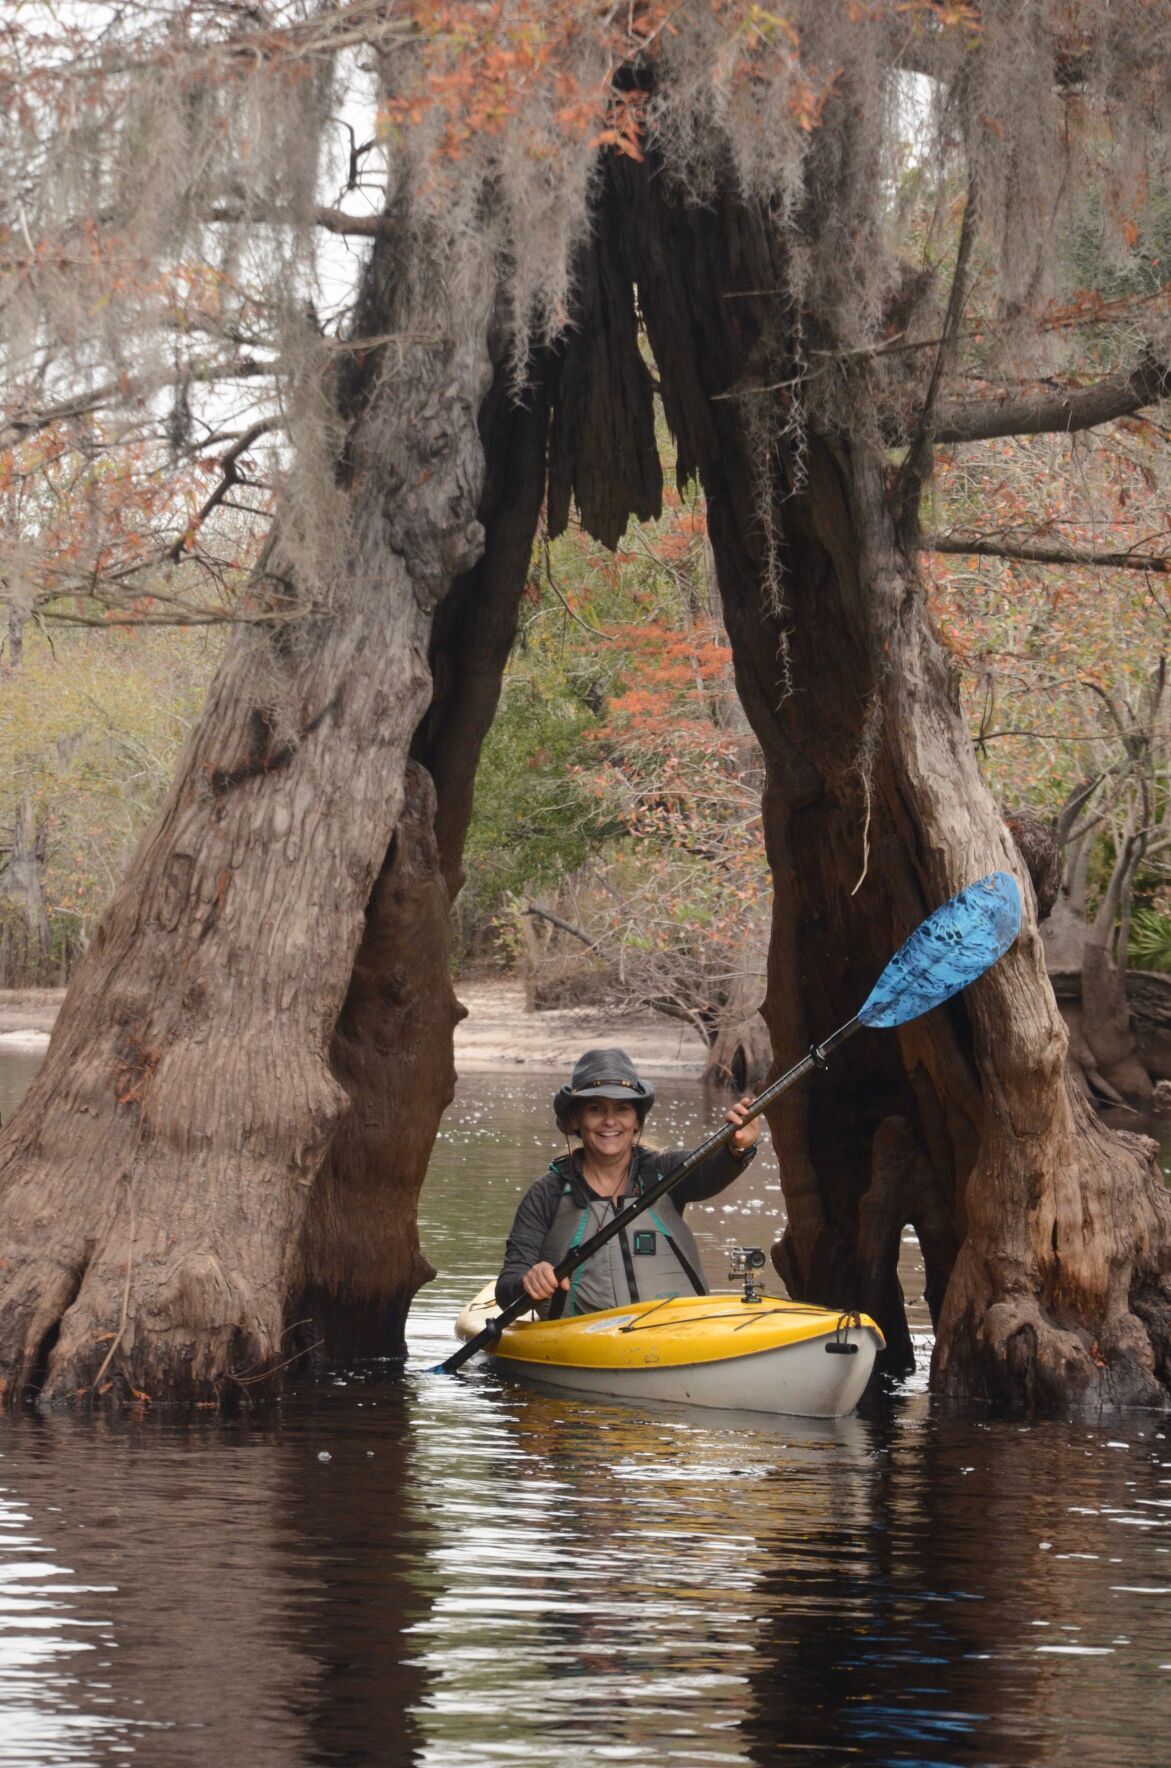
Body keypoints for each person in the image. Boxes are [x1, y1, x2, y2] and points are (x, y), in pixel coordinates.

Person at [495, 1046, 761, 1318]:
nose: (610, 1121)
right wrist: (528, 1281)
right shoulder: (546, 1194)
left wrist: (737, 1148)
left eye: (622, 1109)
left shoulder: (665, 1171)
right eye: (596, 1108)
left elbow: (713, 1171)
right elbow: (507, 1288)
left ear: (637, 1120)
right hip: (581, 1341)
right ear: (575, 1119)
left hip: (676, 1333)